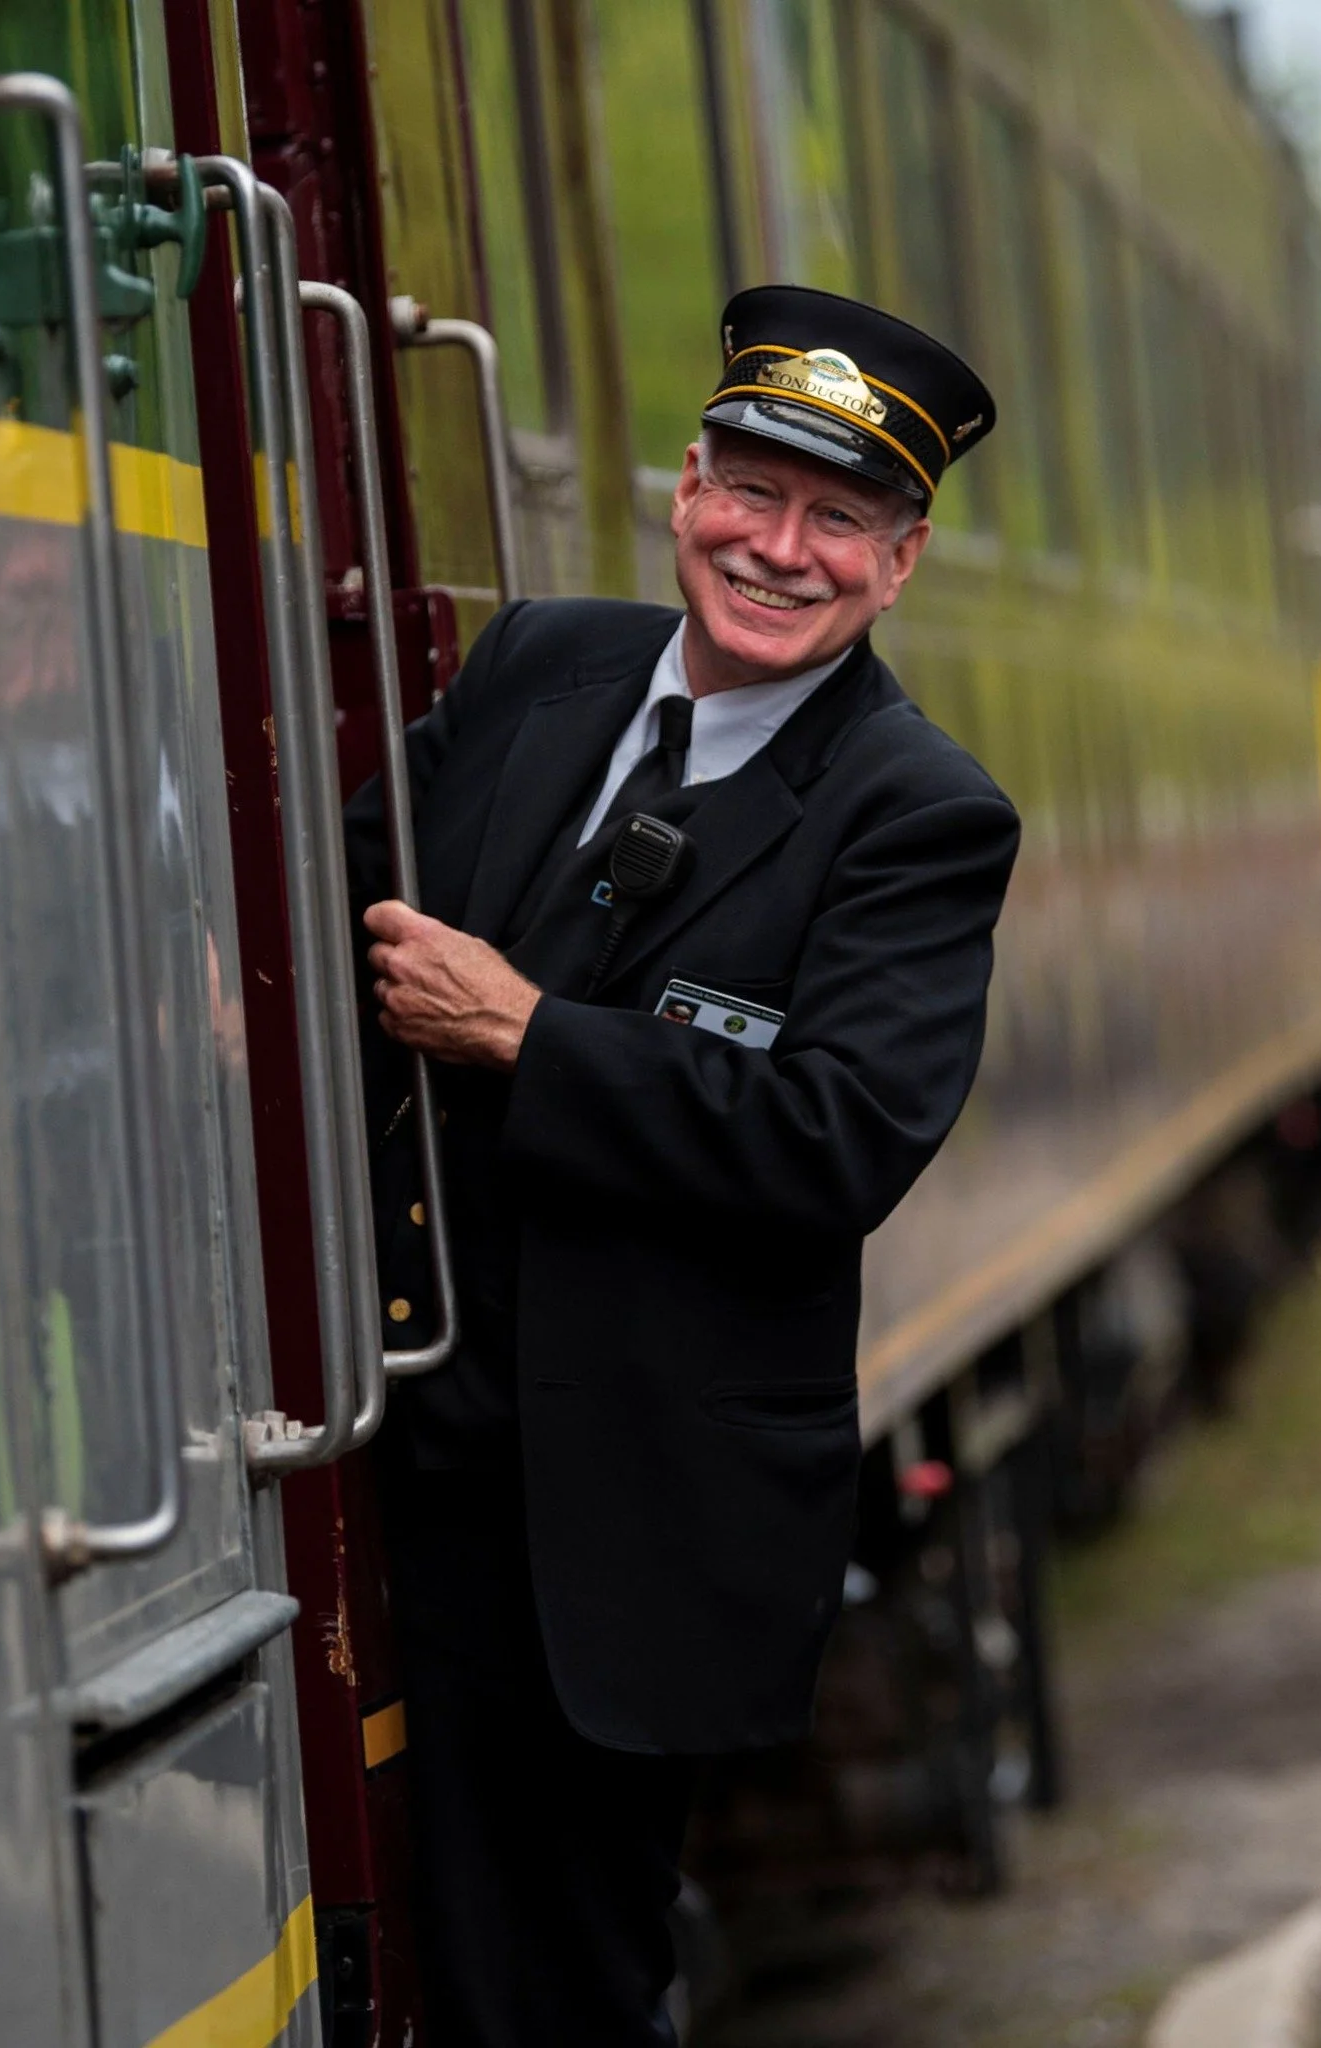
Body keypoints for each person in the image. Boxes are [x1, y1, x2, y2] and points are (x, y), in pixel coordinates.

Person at [344, 284, 1020, 2046]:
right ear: (686, 483)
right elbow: (338, 907)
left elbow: (834, 1137)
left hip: (602, 1529)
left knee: (545, 1987)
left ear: (902, 560)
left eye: (839, 520)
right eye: (752, 490)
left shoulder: (915, 810)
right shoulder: (533, 667)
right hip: (378, 1449)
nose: (778, 550)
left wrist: (524, 1036)